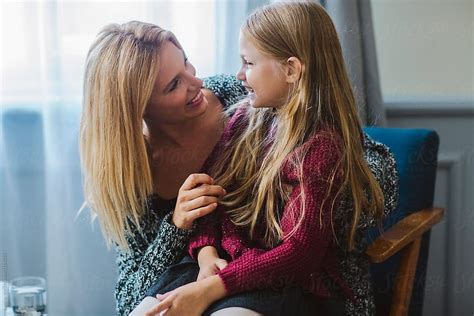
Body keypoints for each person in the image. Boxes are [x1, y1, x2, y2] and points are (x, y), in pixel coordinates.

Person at [144, 2, 398, 316]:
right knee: (149, 310)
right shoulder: (241, 121)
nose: (239, 75)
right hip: (222, 269)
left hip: (282, 284)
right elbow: (213, 201)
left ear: (291, 70)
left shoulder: (321, 148)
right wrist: (206, 254)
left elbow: (298, 253)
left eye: (248, 62)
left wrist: (213, 286)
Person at [80, 21, 255, 315]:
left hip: (261, 276)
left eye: (186, 61)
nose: (197, 82)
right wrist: (176, 226)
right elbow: (127, 300)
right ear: (138, 107)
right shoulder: (135, 173)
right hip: (189, 292)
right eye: (174, 84)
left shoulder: (234, 95)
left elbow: (348, 151)